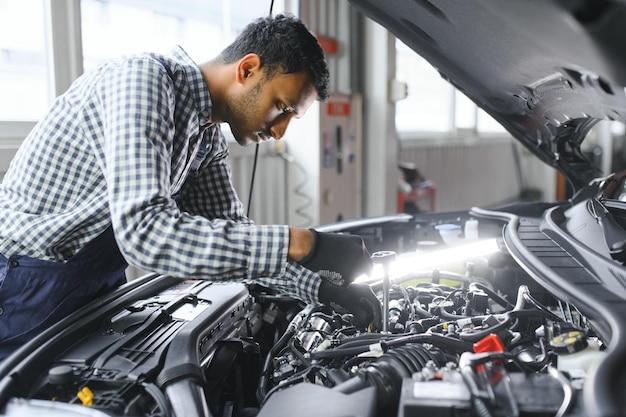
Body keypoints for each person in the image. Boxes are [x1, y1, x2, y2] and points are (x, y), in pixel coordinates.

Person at [0, 14, 380, 360]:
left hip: (90, 289)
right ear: (247, 69)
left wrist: (320, 289)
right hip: (23, 284)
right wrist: (303, 243)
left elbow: (236, 237)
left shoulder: (206, 135)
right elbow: (145, 233)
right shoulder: (143, 81)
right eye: (282, 107)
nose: (280, 131)